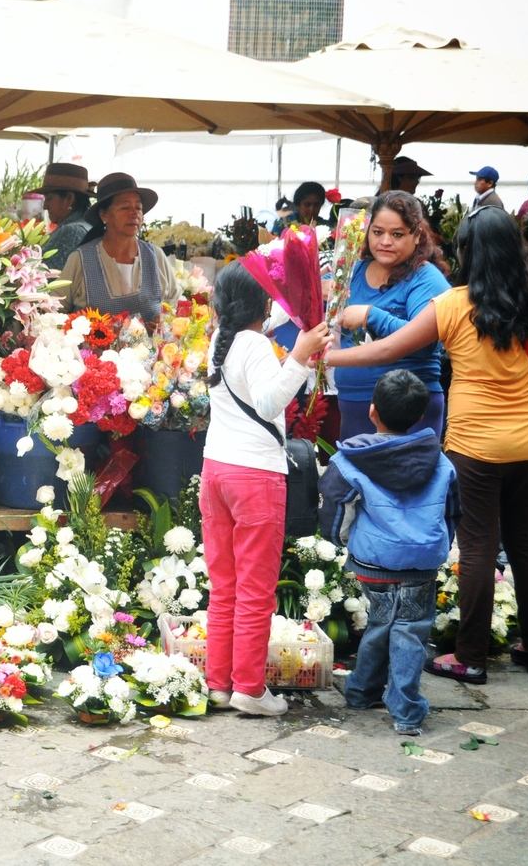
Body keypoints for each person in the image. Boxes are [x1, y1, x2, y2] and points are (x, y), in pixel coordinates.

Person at [327, 206, 528, 684]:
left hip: (475, 445)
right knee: (526, 546)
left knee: (477, 547)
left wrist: (327, 354)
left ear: (468, 254)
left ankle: (470, 657)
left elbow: (388, 349)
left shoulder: (454, 305)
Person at [202, 261, 331, 716]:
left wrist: (305, 318)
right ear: (261, 302)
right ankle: (250, 690)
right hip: (255, 476)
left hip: (216, 471)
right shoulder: (255, 344)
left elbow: (268, 322)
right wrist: (299, 357)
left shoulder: (221, 338)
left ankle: (218, 683)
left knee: (224, 586)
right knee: (255, 589)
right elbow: (269, 401)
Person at [321, 370, 458, 736]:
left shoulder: (351, 461)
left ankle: (362, 691)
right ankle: (406, 710)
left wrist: (342, 540)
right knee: (411, 630)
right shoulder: (441, 462)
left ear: (371, 411)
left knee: (382, 621)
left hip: (374, 561)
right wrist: (437, 544)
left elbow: (336, 511)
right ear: (419, 416)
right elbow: (451, 513)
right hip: (422, 563)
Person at [335, 192, 450, 440]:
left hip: (409, 410)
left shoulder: (426, 278)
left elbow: (423, 340)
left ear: (417, 236)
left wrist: (371, 315)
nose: (385, 241)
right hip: (353, 404)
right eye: (377, 232)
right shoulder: (353, 270)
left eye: (397, 234)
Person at [58, 172, 179, 326]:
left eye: (138, 207)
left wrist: (163, 322)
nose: (134, 213)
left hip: (151, 350)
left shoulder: (155, 256)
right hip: (91, 350)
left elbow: (175, 306)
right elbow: (55, 313)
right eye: (125, 207)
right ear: (104, 215)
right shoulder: (81, 259)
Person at [37, 162, 94, 267]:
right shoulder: (85, 225)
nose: (45, 206)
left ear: (69, 199)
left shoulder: (72, 232)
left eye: (49, 199)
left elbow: (42, 277)